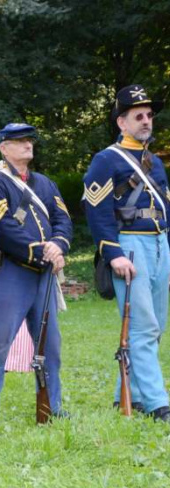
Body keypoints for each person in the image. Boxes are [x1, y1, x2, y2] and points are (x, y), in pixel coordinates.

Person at [0, 123, 73, 427]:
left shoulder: (44, 184)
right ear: (4, 148)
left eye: (29, 140)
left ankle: (51, 406)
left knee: (50, 346)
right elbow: (2, 228)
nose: (27, 145)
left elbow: (62, 219)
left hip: (44, 274)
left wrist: (58, 246)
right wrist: (39, 250)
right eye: (19, 141)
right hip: (12, 274)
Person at [84, 84, 169, 420]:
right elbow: (96, 210)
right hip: (130, 244)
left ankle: (130, 395)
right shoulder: (106, 160)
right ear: (122, 122)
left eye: (149, 115)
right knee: (143, 326)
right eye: (139, 116)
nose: (146, 120)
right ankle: (158, 401)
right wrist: (113, 252)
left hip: (160, 242)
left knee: (156, 325)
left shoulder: (154, 161)